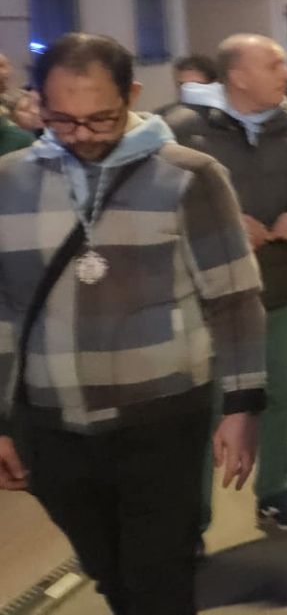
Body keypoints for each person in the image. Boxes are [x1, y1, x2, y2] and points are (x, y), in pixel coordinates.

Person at [0, 34, 266, 614]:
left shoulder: (189, 176)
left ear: (133, 95)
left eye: (101, 118)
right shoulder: (8, 182)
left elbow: (235, 296)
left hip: (163, 416)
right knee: (110, 572)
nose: (83, 136)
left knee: (158, 578)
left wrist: (244, 405)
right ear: (37, 103)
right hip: (50, 423)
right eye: (62, 120)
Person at [166, 33, 287, 534]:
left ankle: (275, 491)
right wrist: (220, 223)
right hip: (206, 298)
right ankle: (191, 516)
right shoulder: (181, 128)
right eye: (274, 64)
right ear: (238, 76)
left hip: (280, 286)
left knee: (276, 395)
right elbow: (153, 201)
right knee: (204, 407)